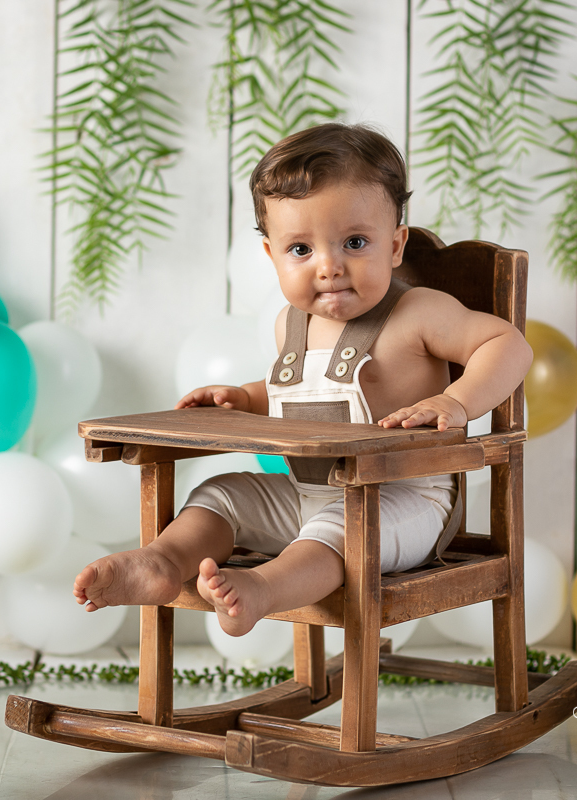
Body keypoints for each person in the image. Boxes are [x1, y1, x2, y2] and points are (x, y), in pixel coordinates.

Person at [73, 122, 532, 636]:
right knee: (219, 493)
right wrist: (242, 398)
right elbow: (293, 391)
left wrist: (458, 401)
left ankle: (263, 589)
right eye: (301, 250)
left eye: (355, 242)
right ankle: (163, 561)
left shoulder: (419, 313)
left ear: (396, 245)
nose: (329, 267)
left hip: (403, 502)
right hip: (307, 495)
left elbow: (508, 344)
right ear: (272, 255)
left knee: (339, 531)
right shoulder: (291, 325)